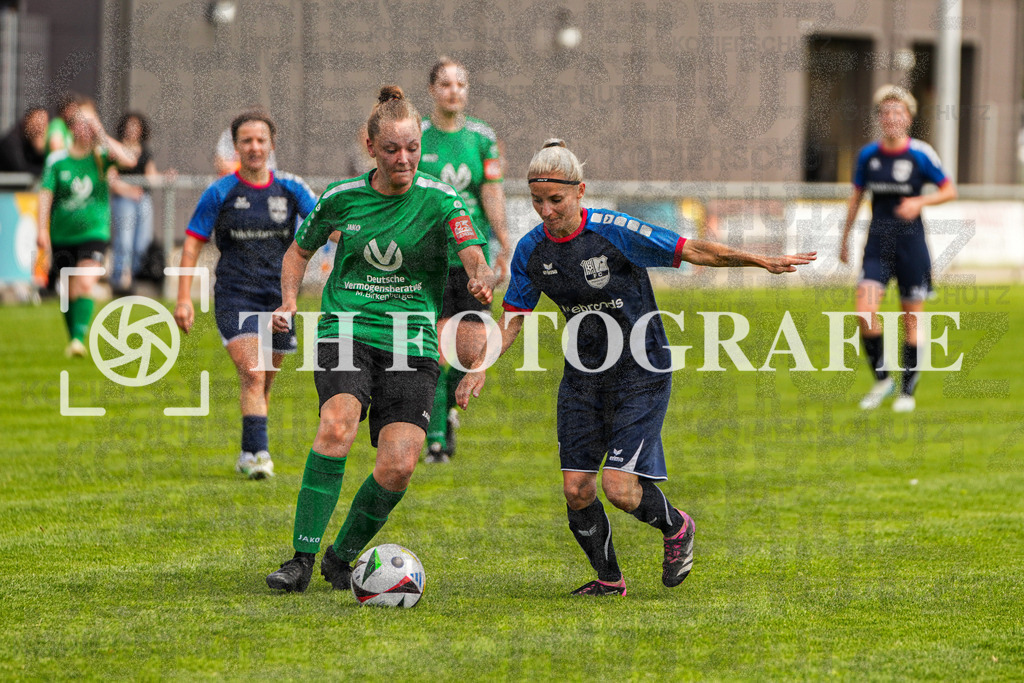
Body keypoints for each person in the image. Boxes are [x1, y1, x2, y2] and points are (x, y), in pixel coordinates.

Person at [456, 140, 816, 596]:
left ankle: (677, 526)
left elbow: (691, 250)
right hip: (583, 378)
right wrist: (480, 366)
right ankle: (609, 581)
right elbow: (513, 318)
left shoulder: (614, 231)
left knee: (619, 487)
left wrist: (760, 261)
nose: (545, 211)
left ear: (580, 191)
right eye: (537, 201)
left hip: (640, 371)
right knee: (577, 489)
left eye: (556, 200)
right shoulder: (532, 251)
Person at [264, 86, 495, 593]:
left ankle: (340, 558)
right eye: (392, 148)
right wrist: (288, 302)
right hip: (346, 329)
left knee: (398, 465)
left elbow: (471, 249)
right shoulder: (341, 197)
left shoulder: (440, 198)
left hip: (412, 341)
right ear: (370, 147)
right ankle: (300, 559)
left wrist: (479, 275)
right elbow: (297, 253)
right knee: (337, 427)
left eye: (412, 147)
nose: (404, 158)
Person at [174, 111, 317, 479]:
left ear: (271, 145)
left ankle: (247, 452)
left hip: (280, 298)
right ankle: (260, 456)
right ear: (236, 146)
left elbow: (326, 226)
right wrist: (184, 298)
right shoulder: (220, 192)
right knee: (253, 375)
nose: (254, 147)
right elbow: (192, 245)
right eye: (246, 141)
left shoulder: (290, 188)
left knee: (264, 382)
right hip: (235, 296)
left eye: (260, 140)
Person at [839, 85, 957, 413]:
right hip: (877, 244)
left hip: (911, 246)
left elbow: (949, 190)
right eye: (886, 112)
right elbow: (856, 196)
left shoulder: (921, 154)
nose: (892, 118)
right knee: (865, 311)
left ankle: (907, 391)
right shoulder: (868, 155)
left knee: (911, 320)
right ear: (879, 118)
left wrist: (920, 200)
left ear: (909, 118)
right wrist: (844, 237)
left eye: (898, 112)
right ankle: (882, 380)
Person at [418, 57, 512, 463]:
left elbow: (491, 191)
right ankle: (436, 439)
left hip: (473, 257)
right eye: (445, 84)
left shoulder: (483, 137)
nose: (453, 90)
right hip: (431, 259)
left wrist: (504, 241)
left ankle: (447, 412)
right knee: (437, 350)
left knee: (471, 351)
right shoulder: (417, 136)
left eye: (460, 84)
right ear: (432, 91)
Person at [36, 100, 139, 357]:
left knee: (85, 283)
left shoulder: (100, 156)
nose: (85, 131)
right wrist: (41, 230)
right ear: (71, 129)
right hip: (63, 233)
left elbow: (129, 160)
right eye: (81, 125)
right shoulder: (58, 160)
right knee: (69, 290)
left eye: (89, 126)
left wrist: (101, 132)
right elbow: (46, 195)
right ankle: (74, 338)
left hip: (94, 232)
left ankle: (79, 338)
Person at [108, 112, 167, 294]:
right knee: (123, 241)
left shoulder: (145, 151)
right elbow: (111, 179)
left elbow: (151, 177)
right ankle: (119, 281)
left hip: (143, 200)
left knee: (142, 242)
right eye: (129, 126)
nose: (132, 130)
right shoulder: (115, 150)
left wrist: (166, 178)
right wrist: (129, 190)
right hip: (123, 200)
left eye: (136, 126)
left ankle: (132, 278)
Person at [0, 106, 49, 177]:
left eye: (44, 124)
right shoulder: (11, 142)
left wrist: (40, 152)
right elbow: (21, 169)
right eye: (37, 124)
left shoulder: (39, 142)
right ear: (26, 122)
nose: (40, 129)